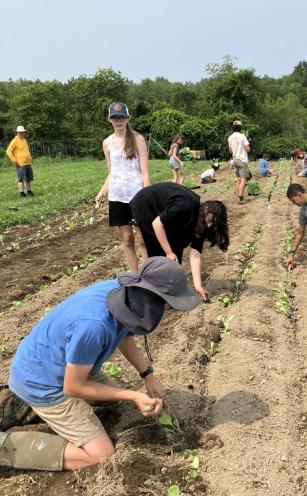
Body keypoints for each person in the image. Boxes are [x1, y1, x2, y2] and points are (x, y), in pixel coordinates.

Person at [0, 257, 201, 471]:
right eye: (167, 303)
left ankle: (31, 407)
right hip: (45, 382)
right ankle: (8, 442)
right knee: (100, 456)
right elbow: (72, 387)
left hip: (67, 364)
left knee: (111, 399)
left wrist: (148, 375)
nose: (166, 309)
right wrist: (132, 394)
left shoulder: (125, 295)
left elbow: (124, 334)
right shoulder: (93, 326)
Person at [130, 182, 229, 301]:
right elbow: (157, 224)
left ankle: (164, 290)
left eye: (213, 224)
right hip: (146, 204)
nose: (209, 225)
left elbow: (195, 254)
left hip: (167, 214)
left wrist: (198, 286)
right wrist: (168, 252)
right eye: (209, 220)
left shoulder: (203, 223)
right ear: (205, 209)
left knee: (175, 254)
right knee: (157, 249)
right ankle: (149, 291)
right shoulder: (185, 205)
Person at [95, 102, 150, 272]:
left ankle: (149, 274)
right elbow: (112, 172)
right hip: (117, 197)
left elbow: (145, 172)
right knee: (127, 239)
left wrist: (147, 196)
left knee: (142, 238)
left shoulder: (138, 139)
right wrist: (103, 191)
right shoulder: (107, 143)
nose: (118, 121)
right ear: (109, 120)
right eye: (114, 118)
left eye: (122, 117)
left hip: (137, 195)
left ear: (128, 118)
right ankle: (134, 276)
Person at [6, 126, 34, 197]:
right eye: (20, 132)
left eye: (23, 132)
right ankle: (21, 193)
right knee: (21, 179)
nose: (21, 133)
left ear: (24, 132)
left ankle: (29, 191)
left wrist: (30, 158)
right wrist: (14, 160)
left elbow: (26, 151)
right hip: (20, 163)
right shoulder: (15, 141)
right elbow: (8, 151)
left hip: (27, 163)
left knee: (28, 179)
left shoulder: (24, 140)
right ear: (17, 133)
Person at [228, 120, 250, 203]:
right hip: (242, 159)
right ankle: (241, 197)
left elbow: (230, 151)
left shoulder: (230, 137)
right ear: (240, 127)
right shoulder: (242, 136)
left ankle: (238, 196)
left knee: (238, 179)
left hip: (235, 159)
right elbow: (248, 149)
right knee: (243, 179)